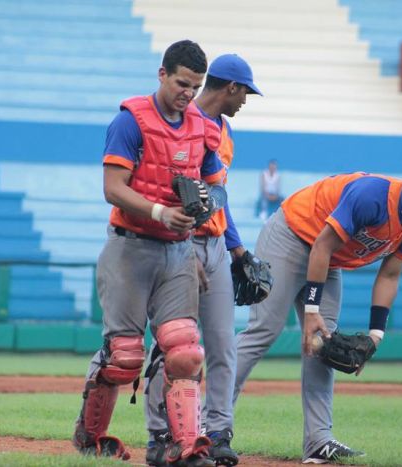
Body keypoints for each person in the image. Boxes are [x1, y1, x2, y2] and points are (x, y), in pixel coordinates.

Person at [232, 156, 402, 464]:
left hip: (327, 259)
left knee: (323, 343)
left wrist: (375, 334)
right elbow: (322, 245)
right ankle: (213, 426)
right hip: (292, 235)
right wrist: (311, 309)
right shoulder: (372, 195)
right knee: (265, 330)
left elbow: (389, 275)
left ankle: (318, 441)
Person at [72, 40, 228, 467]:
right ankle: (90, 437)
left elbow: (216, 183)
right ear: (162, 74)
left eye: (195, 87)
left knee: (184, 351)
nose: (188, 94)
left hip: (179, 252)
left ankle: (180, 446)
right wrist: (161, 210)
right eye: (181, 83)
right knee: (124, 355)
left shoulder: (201, 126)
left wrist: (205, 207)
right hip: (130, 247)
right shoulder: (130, 121)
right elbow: (112, 188)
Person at [144, 53, 263, 467]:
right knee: (176, 348)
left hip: (214, 245)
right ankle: (161, 434)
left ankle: (217, 432)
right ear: (230, 87)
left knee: (223, 345)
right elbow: (167, 190)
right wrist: (183, 243)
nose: (246, 100)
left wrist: (237, 249)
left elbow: (217, 200)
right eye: (245, 91)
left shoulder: (224, 131)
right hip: (179, 242)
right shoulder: (183, 120)